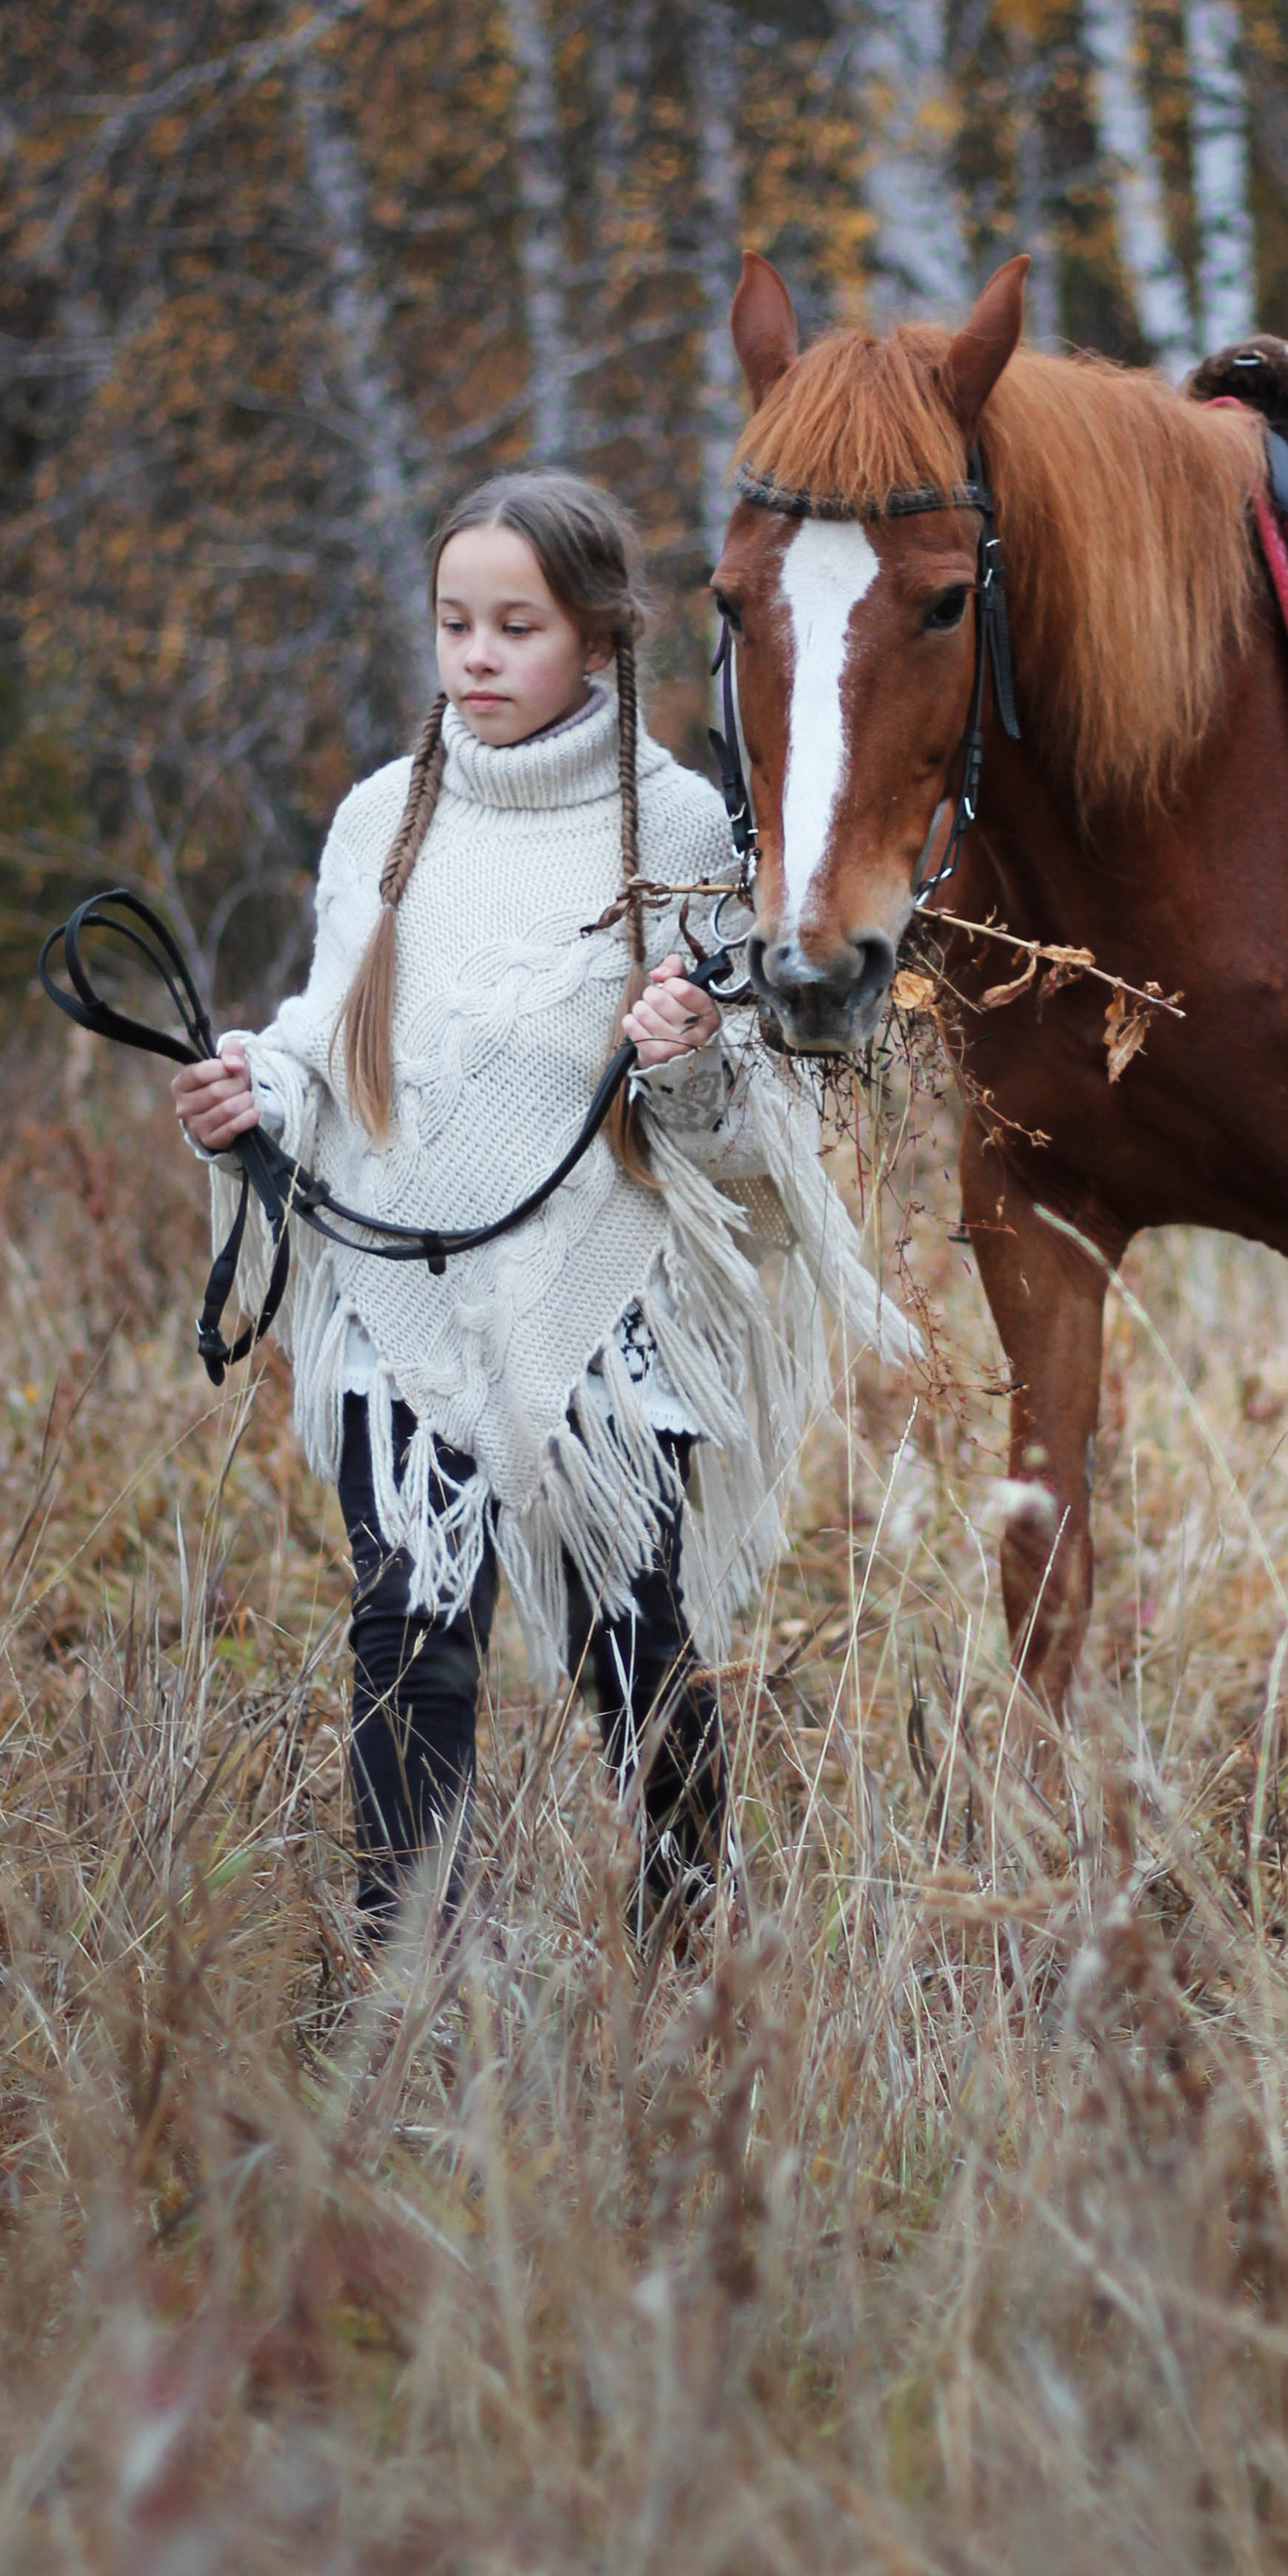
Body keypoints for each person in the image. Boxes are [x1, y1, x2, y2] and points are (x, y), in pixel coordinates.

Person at [170, 472, 907, 1949]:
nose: (480, 658)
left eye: (519, 627)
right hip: (406, 1297)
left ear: (600, 639)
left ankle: (689, 1919)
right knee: (410, 1637)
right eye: (457, 625)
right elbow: (332, 1037)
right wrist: (259, 1093)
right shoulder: (384, 817)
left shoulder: (685, 824)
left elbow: (727, 1120)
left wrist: (690, 1056)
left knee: (632, 1642)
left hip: (607, 1307)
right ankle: (405, 1959)